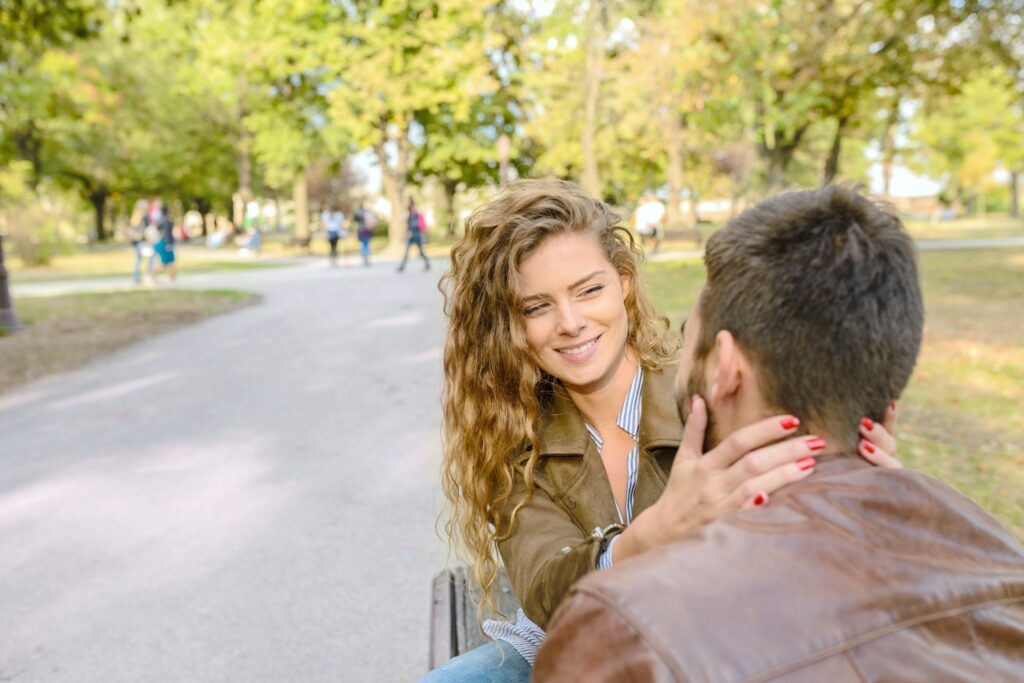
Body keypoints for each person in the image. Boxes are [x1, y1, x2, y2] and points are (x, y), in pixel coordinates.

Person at [533, 185, 1024, 682]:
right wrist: (875, 502)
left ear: (725, 367)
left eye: (689, 336)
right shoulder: (1004, 559)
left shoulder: (624, 629)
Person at [423, 179, 898, 682]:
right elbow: (544, 588)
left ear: (624, 282)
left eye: (589, 290)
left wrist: (867, 490)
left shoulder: (709, 392)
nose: (571, 322)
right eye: (536, 306)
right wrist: (654, 533)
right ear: (510, 323)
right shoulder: (510, 431)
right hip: (577, 649)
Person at [397, 198, 429, 272]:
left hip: (414, 234)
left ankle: (402, 266)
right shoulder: (410, 211)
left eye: (407, 201)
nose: (405, 202)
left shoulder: (414, 211)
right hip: (413, 234)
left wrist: (410, 232)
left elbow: (414, 224)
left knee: (418, 250)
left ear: (410, 202)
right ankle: (402, 265)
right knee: (412, 250)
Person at [149, 201, 176, 282]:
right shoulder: (166, 221)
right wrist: (168, 244)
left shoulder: (160, 220)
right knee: (167, 261)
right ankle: (153, 275)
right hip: (165, 243)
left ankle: (170, 278)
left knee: (166, 262)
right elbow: (167, 234)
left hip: (161, 242)